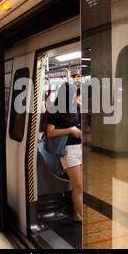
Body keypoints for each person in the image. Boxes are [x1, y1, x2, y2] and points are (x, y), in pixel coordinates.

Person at [46, 83, 83, 222]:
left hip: (80, 148)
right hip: (68, 151)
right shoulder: (55, 110)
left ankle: (78, 212)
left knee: (81, 185)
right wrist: (70, 130)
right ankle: (78, 216)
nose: (76, 97)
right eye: (73, 95)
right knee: (78, 185)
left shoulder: (76, 108)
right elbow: (50, 132)